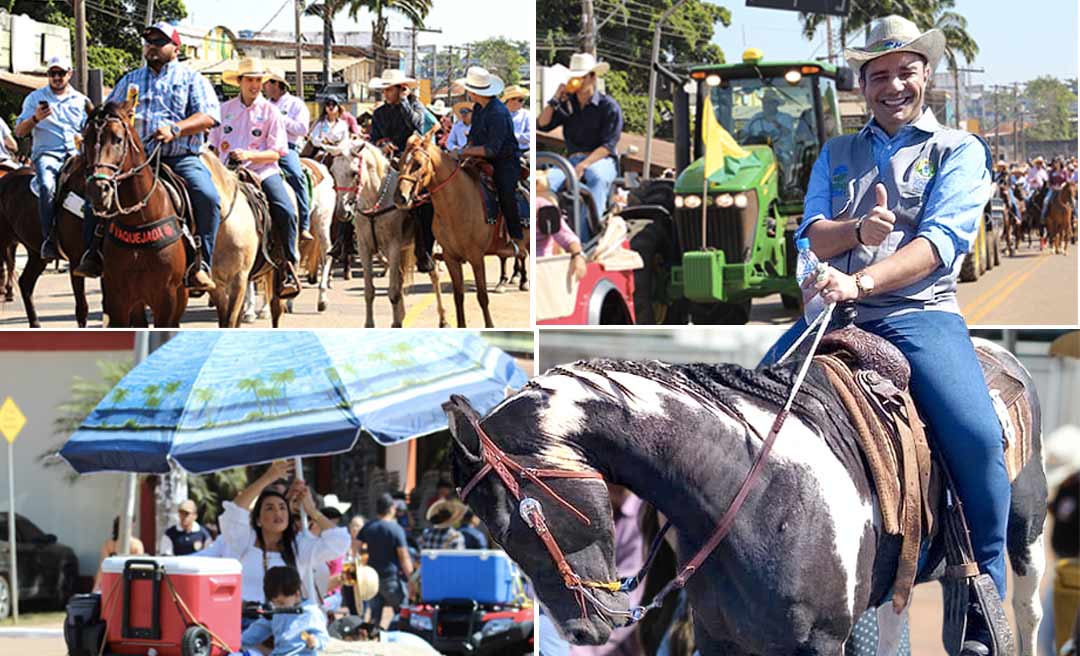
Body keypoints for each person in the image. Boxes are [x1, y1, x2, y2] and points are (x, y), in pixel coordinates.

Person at [761, 16, 1005, 655]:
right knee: (745, 410)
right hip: (833, 315)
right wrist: (852, 236)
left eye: (905, 72)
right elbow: (811, 235)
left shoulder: (958, 149)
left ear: (927, 75)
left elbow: (940, 244)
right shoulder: (837, 153)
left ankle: (984, 604)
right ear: (862, 84)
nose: (893, 85)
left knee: (979, 439)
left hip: (918, 314)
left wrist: (862, 281)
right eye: (879, 75)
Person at [75, 23, 220, 290]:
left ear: (176, 49)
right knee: (95, 191)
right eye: (149, 42)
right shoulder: (130, 80)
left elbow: (209, 116)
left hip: (179, 157)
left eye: (160, 42)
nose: (152, 46)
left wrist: (175, 129)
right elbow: (109, 115)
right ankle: (93, 253)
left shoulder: (192, 79)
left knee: (207, 196)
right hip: (135, 162)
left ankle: (201, 264)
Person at [209, 57, 301, 298]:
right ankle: (198, 263)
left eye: (259, 80)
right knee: (199, 201)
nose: (255, 85)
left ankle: (288, 266)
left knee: (286, 210)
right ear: (239, 81)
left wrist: (249, 155)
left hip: (262, 172)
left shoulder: (271, 112)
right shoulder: (224, 110)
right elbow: (213, 145)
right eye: (250, 80)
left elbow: (277, 152)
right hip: (226, 173)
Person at [218, 460, 350, 616]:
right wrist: (268, 478)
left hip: (285, 621)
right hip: (244, 619)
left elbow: (339, 541)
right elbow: (234, 511)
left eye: (282, 508)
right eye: (270, 508)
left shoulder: (299, 546)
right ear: (258, 519)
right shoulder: (244, 539)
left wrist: (312, 511)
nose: (278, 513)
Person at [538, 52, 623, 241]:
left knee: (596, 176)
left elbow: (608, 145)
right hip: (572, 161)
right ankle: (546, 238)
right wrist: (555, 99)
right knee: (543, 182)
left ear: (592, 77)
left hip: (601, 160)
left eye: (581, 77)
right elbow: (542, 124)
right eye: (574, 77)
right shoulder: (568, 105)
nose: (576, 81)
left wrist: (584, 165)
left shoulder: (609, 106)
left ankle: (589, 238)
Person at [14, 55, 89, 261]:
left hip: (76, 155)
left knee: (98, 185)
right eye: (52, 73)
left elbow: (91, 130)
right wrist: (35, 118)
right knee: (47, 186)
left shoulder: (82, 101)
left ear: (69, 74)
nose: (56, 77)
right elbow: (19, 131)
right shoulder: (34, 98)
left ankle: (96, 241)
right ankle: (48, 240)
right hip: (48, 154)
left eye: (61, 73)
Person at [368, 68, 435, 273]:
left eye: (390, 89)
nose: (386, 93)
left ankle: (424, 251)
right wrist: (382, 145)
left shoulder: (415, 106)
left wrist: (405, 101)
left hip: (411, 160)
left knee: (425, 202)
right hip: (386, 160)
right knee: (359, 188)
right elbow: (373, 138)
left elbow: (417, 125)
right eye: (385, 90)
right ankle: (345, 243)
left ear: (401, 89)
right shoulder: (379, 113)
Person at [457, 66, 526, 243]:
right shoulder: (478, 108)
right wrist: (465, 151)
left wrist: (463, 152)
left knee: (506, 193)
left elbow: (492, 149)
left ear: (474, 92)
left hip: (504, 160)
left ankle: (516, 238)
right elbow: (474, 136)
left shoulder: (498, 113)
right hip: (480, 158)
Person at [263, 69, 313, 242]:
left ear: (276, 84)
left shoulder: (295, 104)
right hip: (263, 148)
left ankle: (304, 224)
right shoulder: (264, 104)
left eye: (266, 83)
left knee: (296, 176)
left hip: (286, 147)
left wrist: (279, 119)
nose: (263, 87)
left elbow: (302, 129)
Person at [240, 566, 329, 656]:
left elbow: (323, 638)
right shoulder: (275, 611)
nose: (278, 606)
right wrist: (238, 642)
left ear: (296, 594)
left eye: (281, 603)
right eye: (274, 603)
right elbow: (259, 629)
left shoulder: (311, 612)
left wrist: (315, 642)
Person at [358, 493, 413, 628]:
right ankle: (394, 635)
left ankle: (373, 638)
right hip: (390, 578)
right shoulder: (396, 529)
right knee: (402, 612)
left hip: (372, 578)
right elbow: (404, 557)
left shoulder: (368, 526)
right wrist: (412, 579)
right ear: (391, 509)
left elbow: (356, 549)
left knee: (374, 616)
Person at [92, 516, 145, 592]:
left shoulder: (109, 544)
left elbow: (102, 567)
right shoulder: (136, 544)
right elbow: (102, 567)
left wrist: (96, 588)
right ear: (131, 525)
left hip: (113, 581)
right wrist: (96, 587)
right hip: (126, 582)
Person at [502, 85, 531, 153]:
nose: (523, 102)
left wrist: (513, 136)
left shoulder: (527, 114)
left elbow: (530, 135)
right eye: (521, 100)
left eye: (523, 100)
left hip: (522, 150)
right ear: (510, 100)